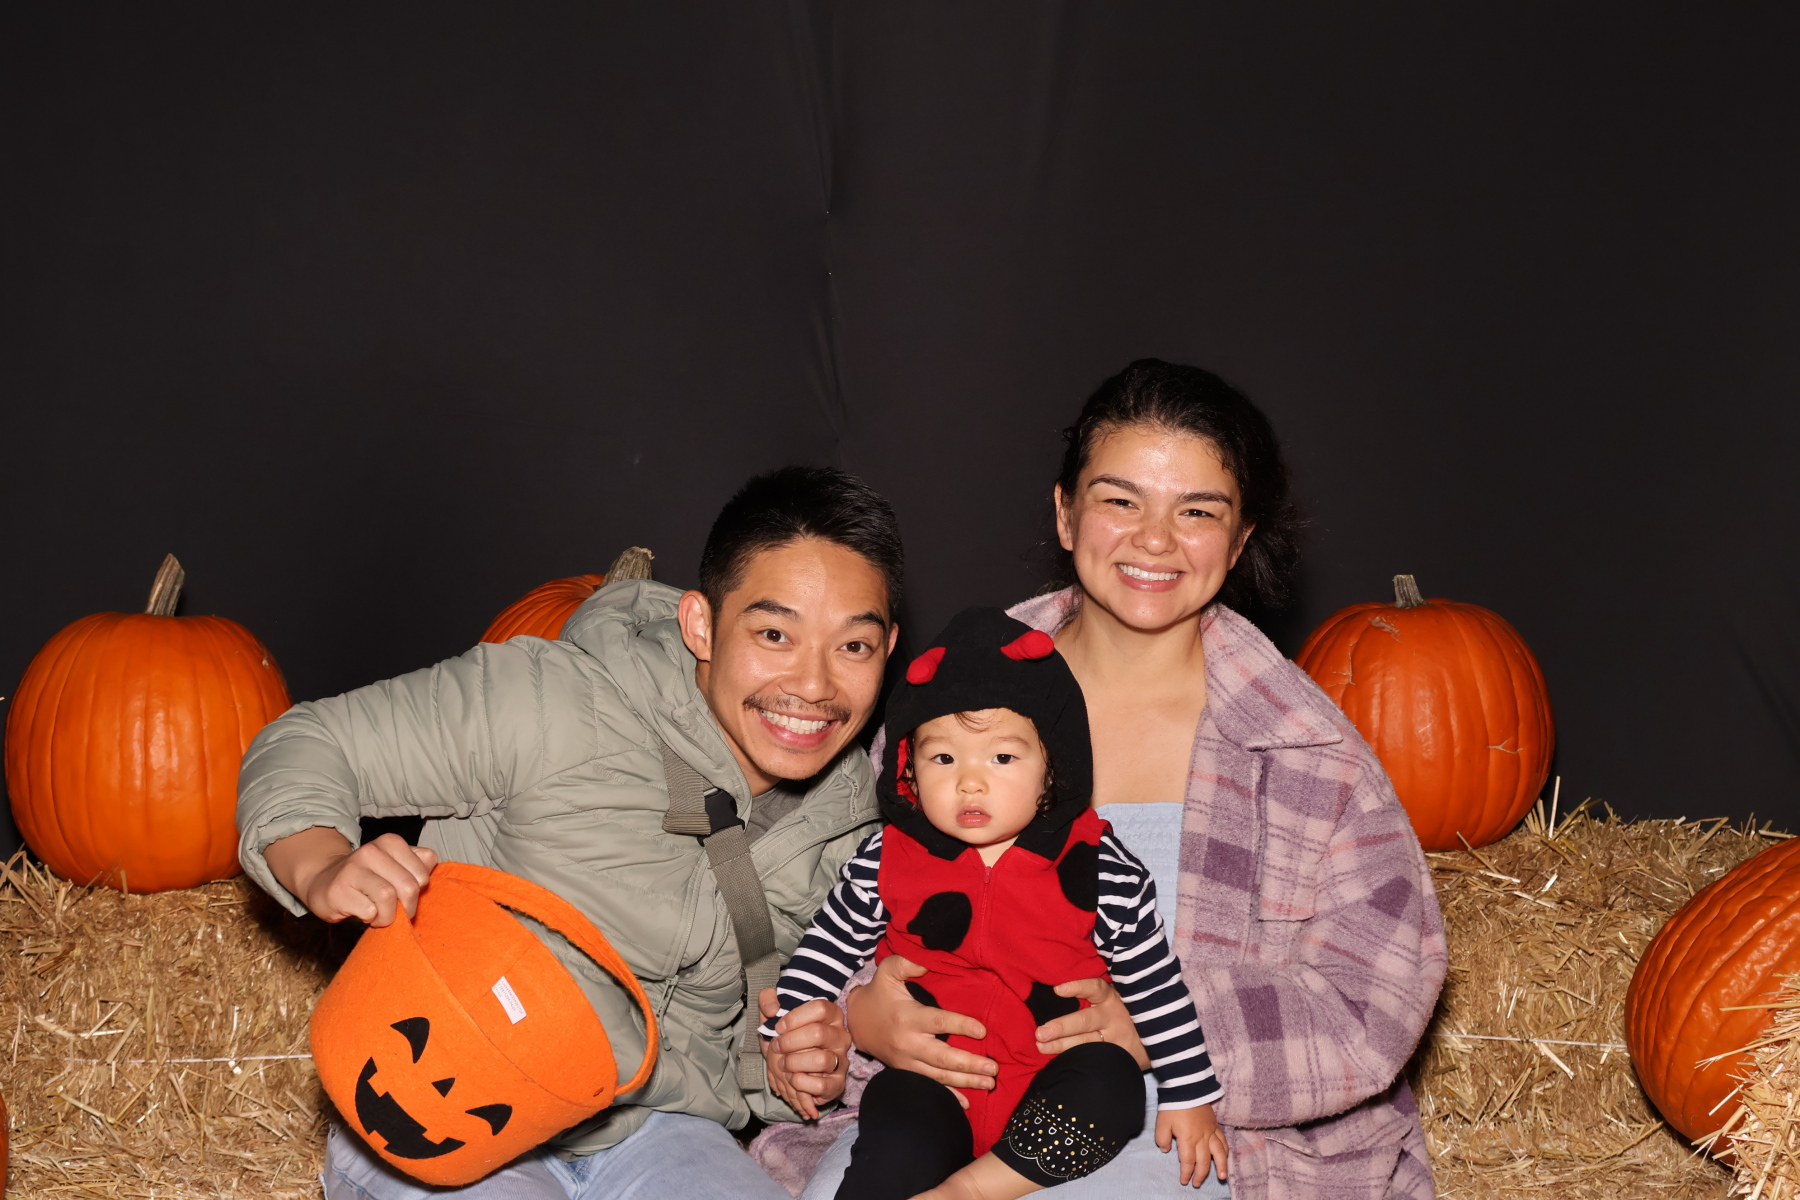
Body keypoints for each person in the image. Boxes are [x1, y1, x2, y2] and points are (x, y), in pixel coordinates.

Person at [764, 361, 1447, 1200]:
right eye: (1121, 500)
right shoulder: (951, 701)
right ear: (1065, 512)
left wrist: (1164, 1029)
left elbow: (1371, 1000)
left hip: (1180, 1120)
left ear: (1239, 540)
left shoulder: (1307, 754)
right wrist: (861, 1015)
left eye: (1197, 511)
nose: (1154, 540)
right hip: (942, 1097)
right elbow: (847, 908)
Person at [237, 466, 904, 1200]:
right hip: (446, 1082)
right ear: (702, 626)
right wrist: (320, 864)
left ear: (888, 649)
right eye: (775, 634)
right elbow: (312, 741)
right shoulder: (556, 703)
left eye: (853, 647)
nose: (813, 686)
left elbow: (756, 1032)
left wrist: (791, 1067)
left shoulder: (853, 827)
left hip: (661, 1128)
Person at [760, 607, 1226, 1200]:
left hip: (1049, 1088)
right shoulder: (886, 857)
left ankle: (977, 1189)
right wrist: (785, 1027)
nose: (970, 782)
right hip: (936, 1084)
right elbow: (825, 949)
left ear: (1051, 768)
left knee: (1110, 1081)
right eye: (943, 758)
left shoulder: (1099, 865)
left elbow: (1156, 984)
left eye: (1002, 758)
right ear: (906, 771)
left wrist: (1190, 1093)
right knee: (893, 1122)